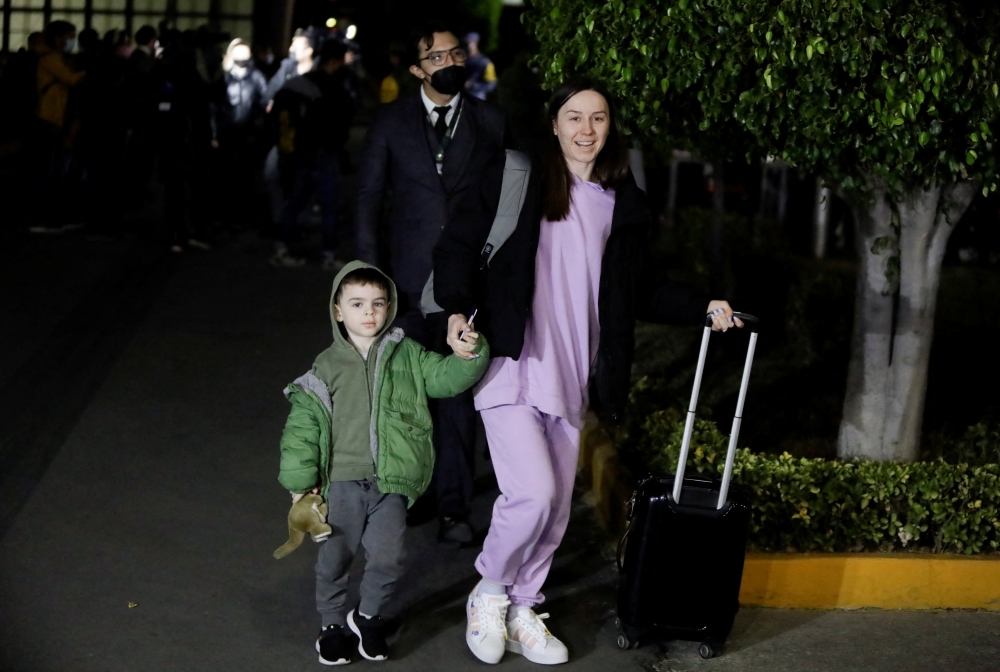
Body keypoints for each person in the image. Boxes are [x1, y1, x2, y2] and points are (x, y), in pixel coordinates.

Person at [432, 77, 745, 665]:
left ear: (610, 127)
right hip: (510, 361)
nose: (586, 130)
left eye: (598, 118)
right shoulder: (516, 180)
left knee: (552, 508)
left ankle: (526, 605)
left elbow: (644, 289)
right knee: (533, 492)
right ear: (553, 124)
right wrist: (454, 309)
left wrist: (702, 305)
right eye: (574, 117)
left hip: (574, 372)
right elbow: (457, 244)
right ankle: (490, 589)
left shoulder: (623, 204)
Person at [277, 261, 489, 665]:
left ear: (389, 306)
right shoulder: (326, 366)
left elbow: (446, 378)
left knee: (389, 558)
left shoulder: (407, 352)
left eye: (377, 302)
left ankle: (368, 616)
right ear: (339, 311)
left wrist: (469, 353)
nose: (369, 312)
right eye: (357, 304)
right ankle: (332, 625)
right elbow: (302, 427)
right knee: (335, 557)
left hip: (392, 482)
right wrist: (301, 481)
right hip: (340, 484)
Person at [354, 20, 508, 544]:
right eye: (437, 57)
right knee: (402, 397)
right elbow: (369, 200)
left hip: (464, 286)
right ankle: (409, 495)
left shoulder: (489, 121)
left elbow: (507, 200)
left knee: (457, 399)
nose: (450, 63)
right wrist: (369, 281)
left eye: (456, 55)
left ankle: (453, 507)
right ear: (418, 68)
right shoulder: (391, 122)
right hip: (403, 281)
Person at [269, 39, 356, 269]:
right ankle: (329, 254)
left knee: (295, 202)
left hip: (298, 154)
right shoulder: (335, 88)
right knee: (329, 206)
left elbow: (275, 117)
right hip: (324, 153)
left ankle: (280, 248)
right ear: (336, 61)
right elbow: (342, 122)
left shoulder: (297, 84)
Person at [30, 20, 85, 233]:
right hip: (49, 120)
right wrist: (92, 71)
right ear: (57, 37)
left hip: (48, 119)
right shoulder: (50, 58)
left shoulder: (44, 56)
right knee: (48, 171)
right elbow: (70, 79)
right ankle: (42, 218)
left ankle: (44, 217)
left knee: (47, 169)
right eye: (69, 37)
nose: (71, 41)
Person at [219, 38, 268, 230]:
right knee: (226, 174)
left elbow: (264, 100)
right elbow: (216, 105)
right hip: (227, 133)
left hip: (249, 134)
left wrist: (259, 123)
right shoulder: (223, 76)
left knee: (246, 175)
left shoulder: (256, 76)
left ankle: (244, 215)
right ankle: (225, 214)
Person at [463, 32, 496, 100]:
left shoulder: (485, 62)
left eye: (471, 43)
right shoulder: (460, 61)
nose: (468, 46)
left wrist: (473, 85)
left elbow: (491, 84)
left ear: (476, 44)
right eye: (466, 43)